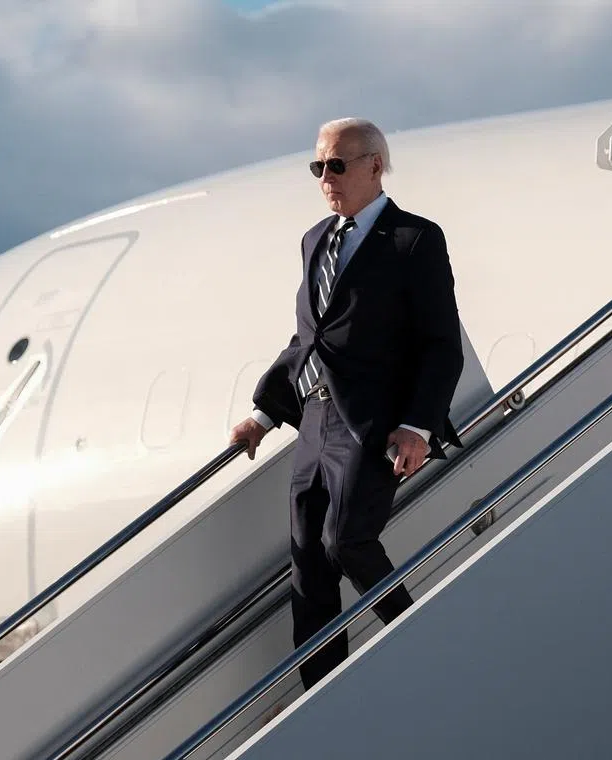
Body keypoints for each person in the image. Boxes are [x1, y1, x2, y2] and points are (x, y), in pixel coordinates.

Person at [230, 118, 464, 690]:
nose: (325, 178)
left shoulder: (414, 239)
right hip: (313, 418)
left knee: (347, 540)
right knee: (308, 564)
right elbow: (308, 338)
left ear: (374, 165)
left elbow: (441, 344)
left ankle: (418, 636)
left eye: (336, 165)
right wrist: (264, 415)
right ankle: (320, 693)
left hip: (373, 423)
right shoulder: (315, 240)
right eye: (318, 167)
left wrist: (417, 427)